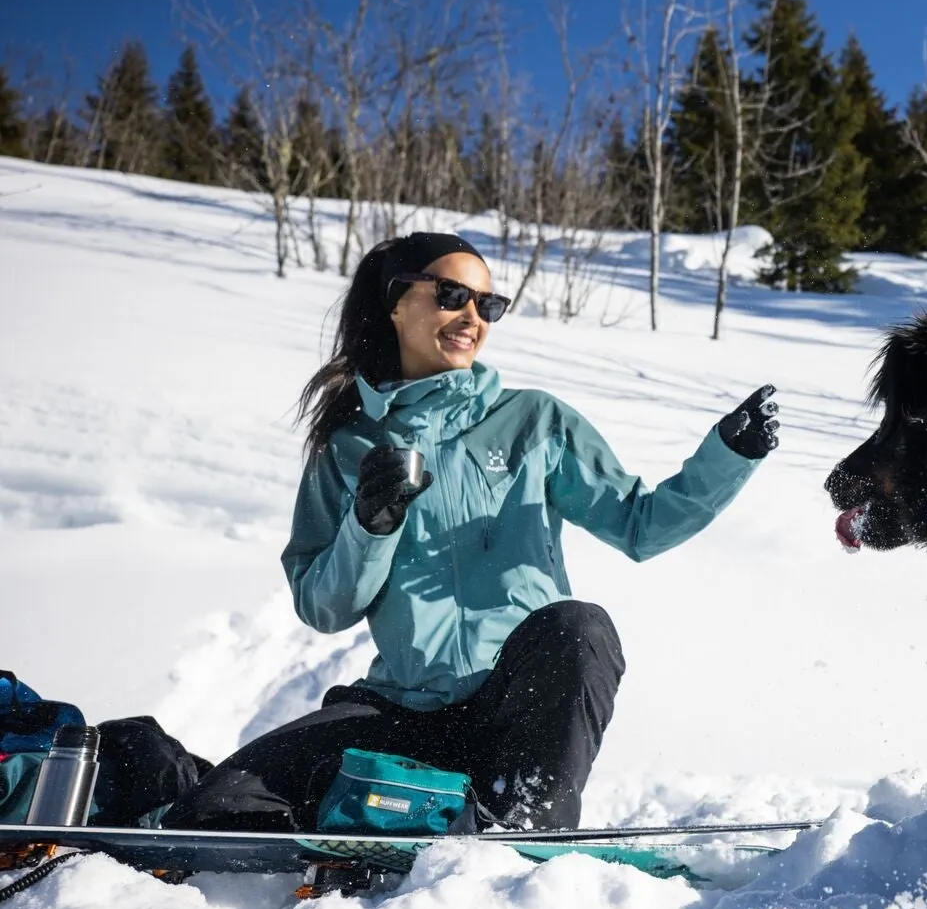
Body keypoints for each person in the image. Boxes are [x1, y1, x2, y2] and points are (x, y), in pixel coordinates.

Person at [165, 232, 778, 832]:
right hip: (402, 710)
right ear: (396, 299)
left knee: (579, 627)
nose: (472, 317)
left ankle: (526, 826)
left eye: (489, 304)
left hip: (513, 711)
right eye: (454, 294)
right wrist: (369, 525)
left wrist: (726, 455)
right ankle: (385, 818)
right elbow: (324, 608)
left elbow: (639, 527)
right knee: (220, 807)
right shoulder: (349, 446)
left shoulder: (535, 422)